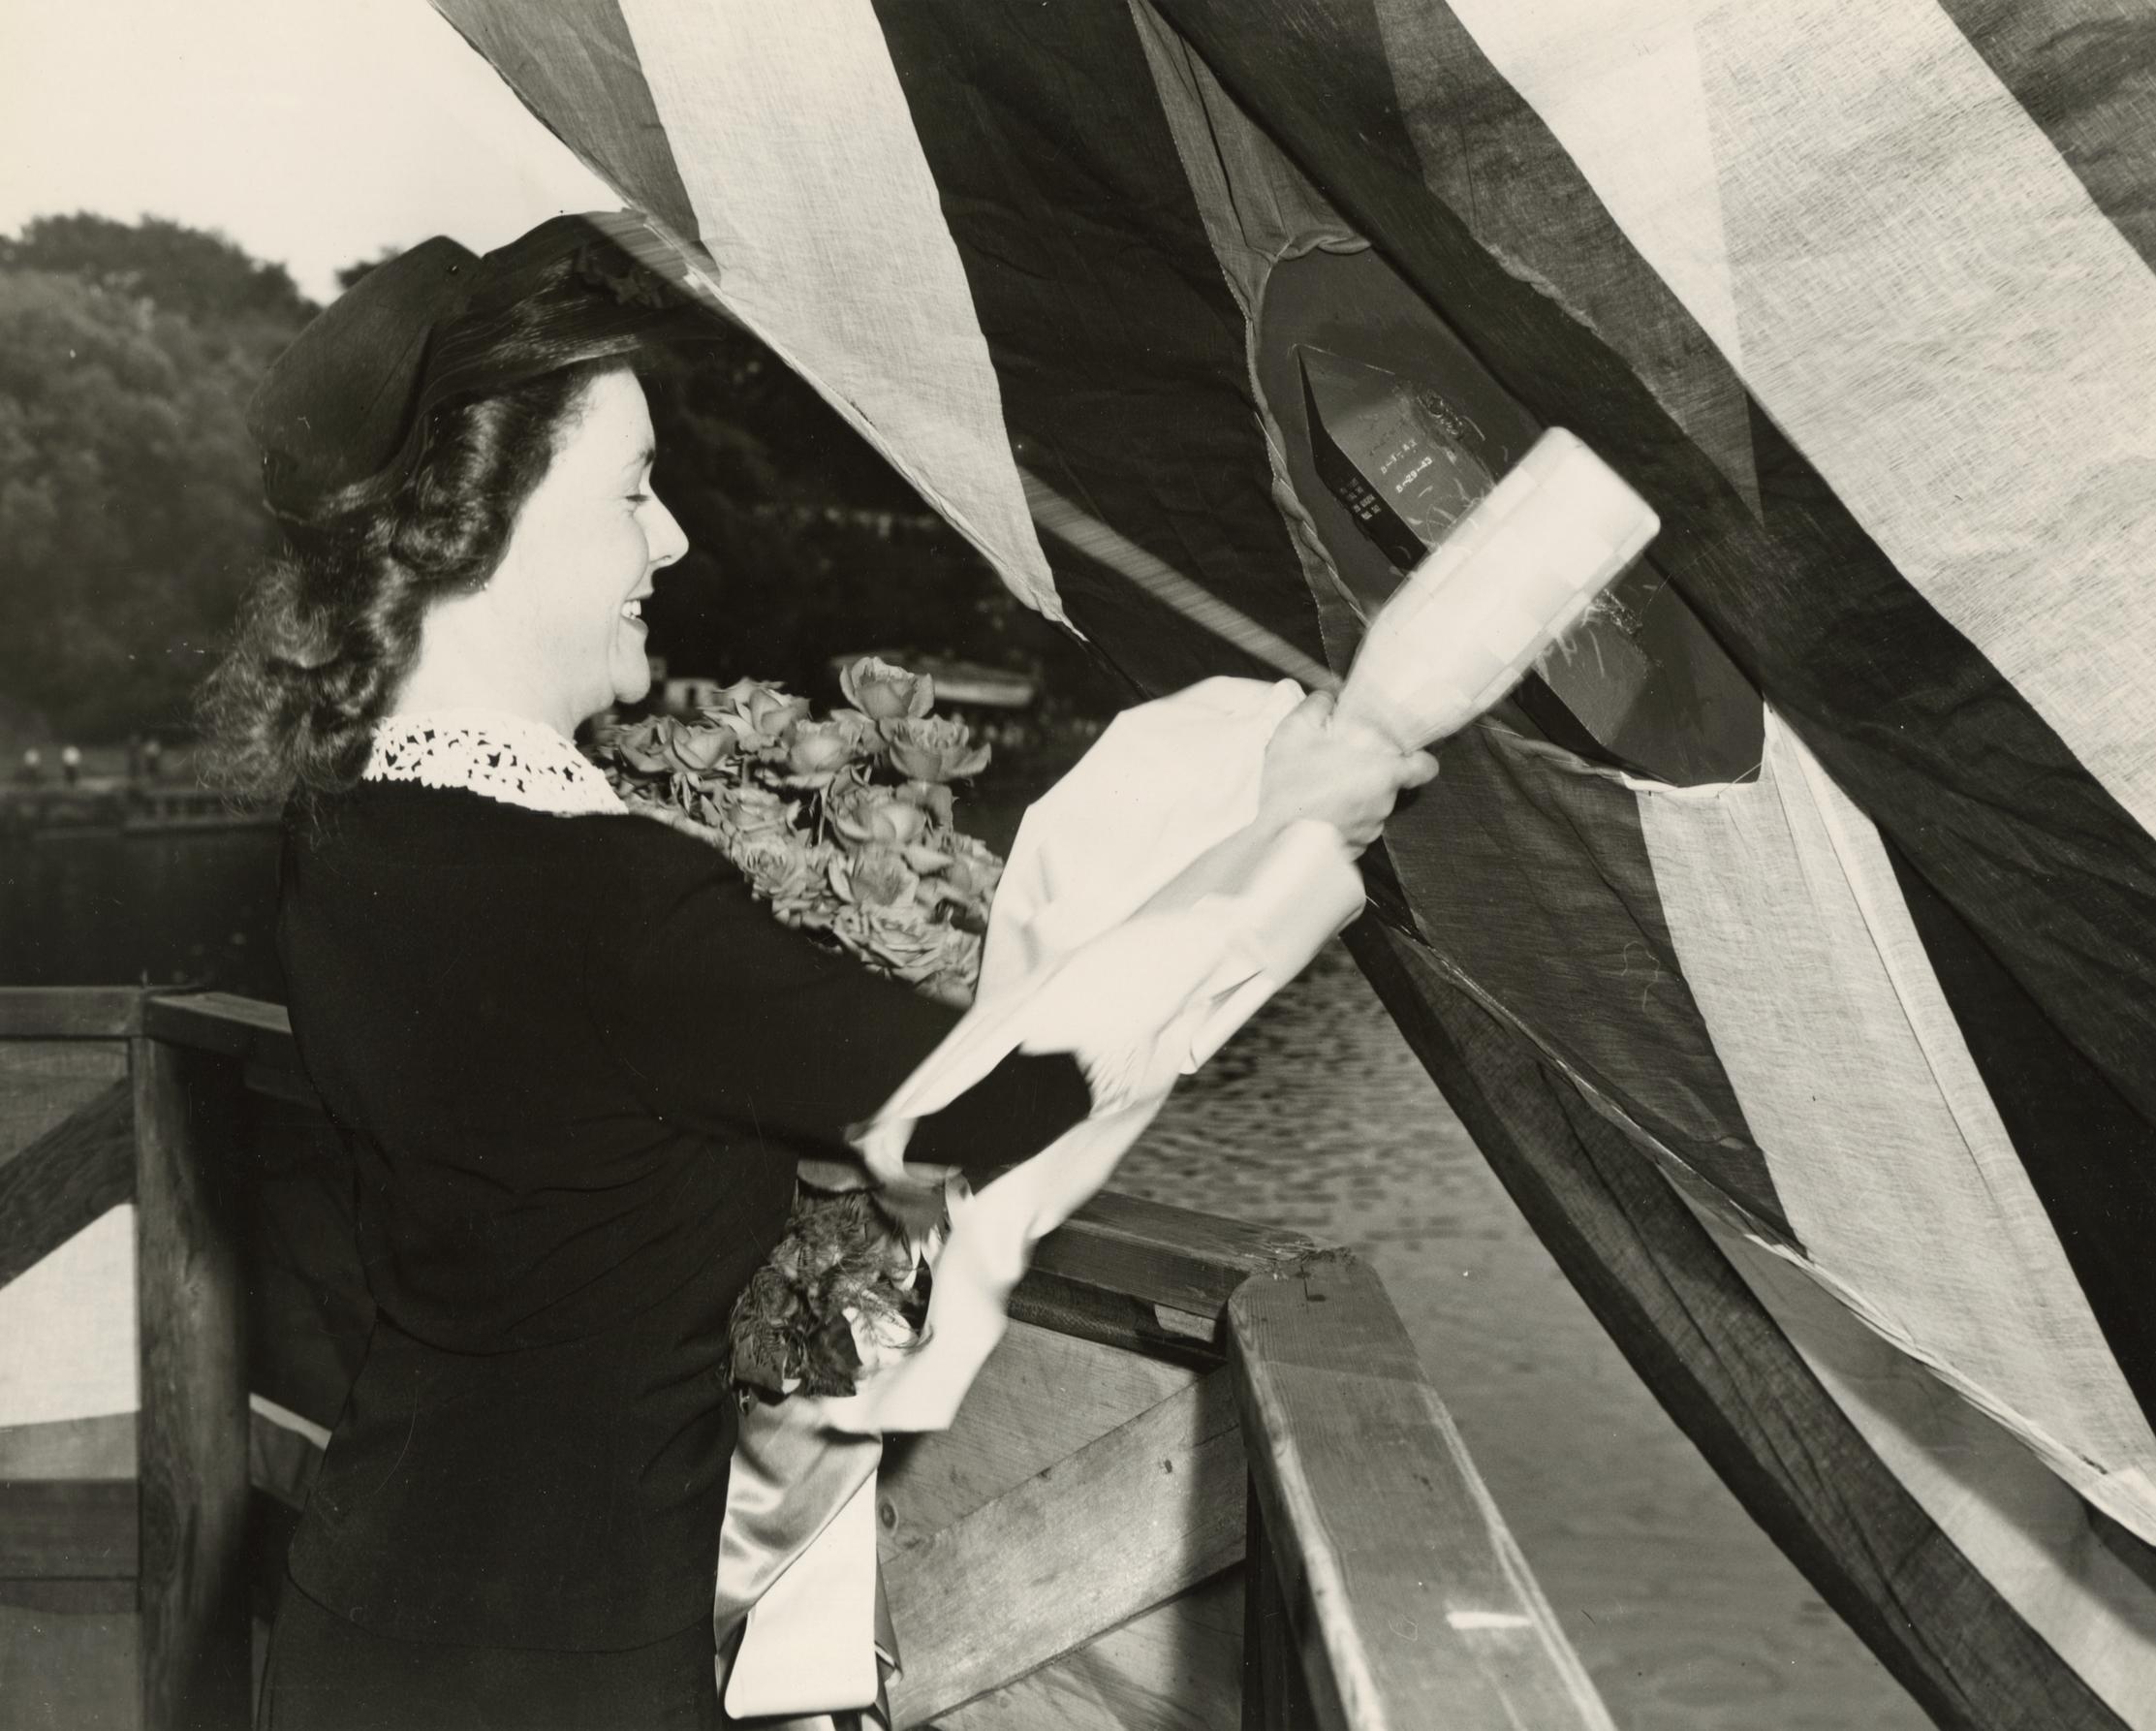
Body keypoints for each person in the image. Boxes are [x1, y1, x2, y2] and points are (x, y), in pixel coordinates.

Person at [199, 215, 1433, 1729]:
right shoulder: (615, 904)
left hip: (356, 1614)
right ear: (486, 526)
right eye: (635, 489)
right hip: (557, 1678)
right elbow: (991, 1109)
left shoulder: (347, 825)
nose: (674, 538)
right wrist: (1280, 850)